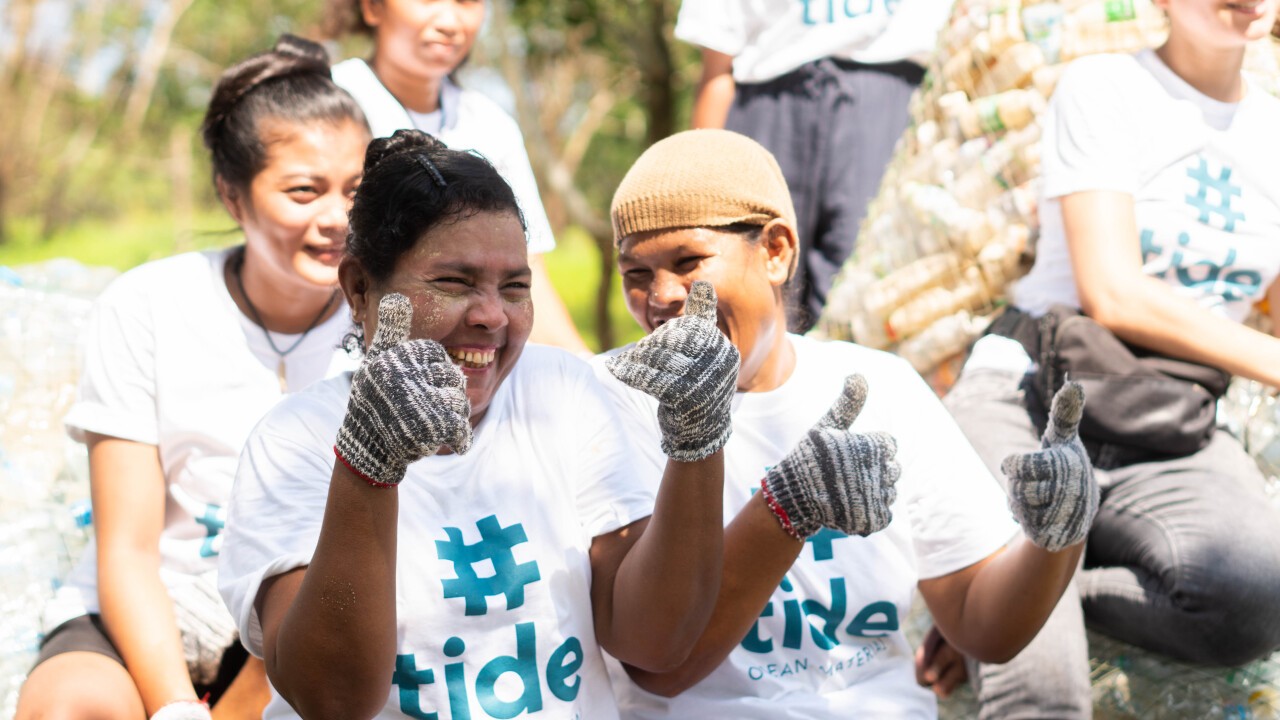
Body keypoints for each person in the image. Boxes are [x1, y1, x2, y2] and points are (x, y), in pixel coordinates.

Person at [215, 128, 768, 719]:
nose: (490, 316)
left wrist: (697, 442)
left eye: (515, 287)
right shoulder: (294, 439)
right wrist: (367, 467)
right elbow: (333, 700)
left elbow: (655, 642)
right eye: (453, 283)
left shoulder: (563, 392)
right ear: (358, 289)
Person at [594, 128, 1098, 718]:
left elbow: (981, 626)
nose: (662, 297)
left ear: (777, 250)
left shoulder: (879, 387)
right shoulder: (607, 403)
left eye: (688, 263)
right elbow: (661, 666)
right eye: (636, 274)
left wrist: (1055, 541)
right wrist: (787, 508)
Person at [15, 35, 370, 720]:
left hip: (303, 617)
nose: (336, 219)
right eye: (304, 191)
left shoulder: (394, 320)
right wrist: (176, 706)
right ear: (231, 196)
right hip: (150, 610)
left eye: (357, 191)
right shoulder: (148, 306)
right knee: (68, 709)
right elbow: (126, 550)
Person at [937, 0, 1280, 693]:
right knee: (1042, 686)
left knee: (1255, 600)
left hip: (1171, 418)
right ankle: (1012, 605)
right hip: (1034, 394)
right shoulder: (1103, 87)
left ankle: (1002, 600)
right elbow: (1114, 292)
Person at [325, 0, 590, 353]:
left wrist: (593, 376)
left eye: (467, 1)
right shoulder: (323, 103)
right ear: (372, 7)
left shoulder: (491, 124)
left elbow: (529, 276)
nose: (450, 21)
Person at [674, 0, 953, 332]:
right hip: (769, 104)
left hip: (890, 99)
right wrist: (700, 188)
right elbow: (717, 70)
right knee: (753, 284)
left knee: (868, 293)